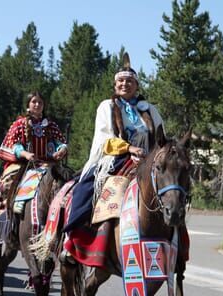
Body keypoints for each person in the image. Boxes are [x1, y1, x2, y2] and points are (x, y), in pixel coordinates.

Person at [61, 53, 177, 265]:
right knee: (85, 188)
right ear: (115, 85)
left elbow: (162, 137)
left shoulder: (150, 109)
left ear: (137, 85)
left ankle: (177, 248)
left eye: (130, 81)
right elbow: (105, 138)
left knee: (173, 191)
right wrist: (129, 148)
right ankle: (73, 239)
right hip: (116, 157)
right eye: (121, 81)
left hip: (148, 160)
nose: (125, 84)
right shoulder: (107, 106)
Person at [0, 91, 68, 209]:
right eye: (34, 102)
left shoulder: (51, 125)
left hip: (49, 164)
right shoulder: (20, 124)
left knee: (67, 178)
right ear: (28, 105)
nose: (37, 105)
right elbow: (15, 145)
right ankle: (9, 202)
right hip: (25, 163)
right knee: (10, 180)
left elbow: (60, 143)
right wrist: (26, 154)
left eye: (40, 102)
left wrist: (62, 150)